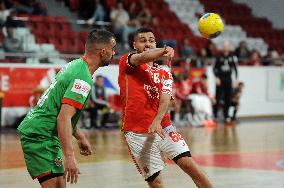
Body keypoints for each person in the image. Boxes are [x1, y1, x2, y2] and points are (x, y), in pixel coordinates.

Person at [17, 29, 116, 188]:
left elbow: (61, 110)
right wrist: (69, 157)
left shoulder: (75, 65)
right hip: (39, 135)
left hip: (46, 133)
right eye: (113, 48)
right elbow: (63, 117)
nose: (114, 52)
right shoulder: (82, 78)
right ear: (103, 51)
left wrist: (80, 136)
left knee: (60, 185)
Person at [118, 28, 213, 188]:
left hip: (164, 128)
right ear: (134, 44)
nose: (148, 43)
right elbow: (142, 57)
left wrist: (157, 120)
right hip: (137, 133)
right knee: (156, 183)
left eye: (151, 40)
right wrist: (163, 50)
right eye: (143, 40)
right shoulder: (128, 61)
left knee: (191, 166)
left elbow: (165, 98)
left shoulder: (164, 71)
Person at [213, 41, 238, 124]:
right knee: (218, 98)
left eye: (227, 46)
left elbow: (235, 69)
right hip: (220, 79)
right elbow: (214, 69)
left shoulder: (232, 56)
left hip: (228, 79)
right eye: (224, 46)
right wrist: (216, 78)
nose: (225, 48)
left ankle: (226, 116)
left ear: (229, 47)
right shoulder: (218, 56)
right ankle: (215, 115)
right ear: (222, 48)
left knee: (228, 98)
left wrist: (235, 80)